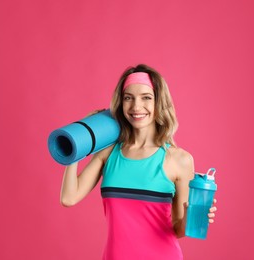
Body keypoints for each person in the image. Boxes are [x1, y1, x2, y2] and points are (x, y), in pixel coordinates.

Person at [60, 64, 217, 259]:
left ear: (159, 102)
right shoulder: (109, 152)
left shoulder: (179, 160)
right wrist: (77, 144)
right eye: (128, 98)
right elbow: (69, 197)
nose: (136, 106)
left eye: (146, 98)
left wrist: (190, 217)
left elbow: (178, 229)